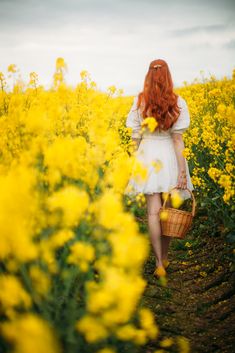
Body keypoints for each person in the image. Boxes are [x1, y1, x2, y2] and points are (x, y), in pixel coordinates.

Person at [124, 59, 194, 279]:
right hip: (170, 157)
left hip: (147, 156)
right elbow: (177, 141)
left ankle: (158, 263)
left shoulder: (139, 102)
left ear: (149, 76)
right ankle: (164, 257)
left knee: (153, 212)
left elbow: (135, 138)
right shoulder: (177, 101)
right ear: (168, 76)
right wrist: (182, 172)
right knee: (167, 212)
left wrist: (133, 164)